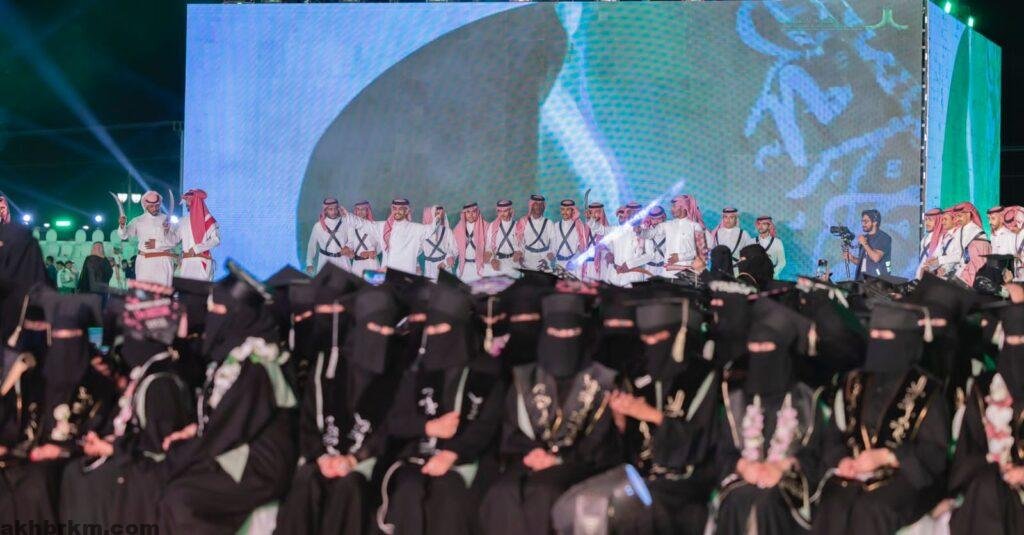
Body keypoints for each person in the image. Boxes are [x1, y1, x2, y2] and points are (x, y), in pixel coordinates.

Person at [554, 298, 720, 534]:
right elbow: (623, 449)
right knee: (588, 500)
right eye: (646, 338)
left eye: (658, 337)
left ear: (677, 336)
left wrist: (651, 415)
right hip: (637, 474)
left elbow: (702, 443)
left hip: (685, 479)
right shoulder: (639, 373)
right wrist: (621, 421)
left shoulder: (703, 377)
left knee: (639, 508)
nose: (651, 344)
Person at [158, 261, 296, 533]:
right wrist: (194, 431)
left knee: (181, 497)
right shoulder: (232, 359)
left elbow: (234, 427)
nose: (212, 318)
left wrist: (189, 451)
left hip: (259, 464)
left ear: (238, 315)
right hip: (236, 451)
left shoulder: (257, 364)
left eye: (219, 311)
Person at [479, 293, 619, 535]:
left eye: (571, 333)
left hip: (579, 462)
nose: (563, 339)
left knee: (545, 491)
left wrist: (560, 460)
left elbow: (601, 438)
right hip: (531, 458)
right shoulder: (526, 378)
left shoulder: (602, 380)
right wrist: (533, 453)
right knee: (502, 491)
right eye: (556, 332)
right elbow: (511, 429)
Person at [379, 282, 506, 535]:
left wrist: (453, 453)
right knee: (409, 490)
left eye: (442, 328)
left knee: (448, 495)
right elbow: (395, 420)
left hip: (468, 459)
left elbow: (488, 424)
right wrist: (428, 426)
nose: (435, 335)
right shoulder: (418, 370)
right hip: (419, 456)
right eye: (431, 329)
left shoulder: (487, 372)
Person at [275, 283, 402, 535]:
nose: (382, 336)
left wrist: (355, 459)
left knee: (350, 487)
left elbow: (390, 428)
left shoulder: (396, 373)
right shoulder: (329, 366)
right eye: (375, 328)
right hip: (325, 456)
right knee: (306, 481)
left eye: (388, 329)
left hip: (367, 463)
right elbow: (309, 417)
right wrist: (321, 456)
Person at [812, 301, 949, 535]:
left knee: (872, 508)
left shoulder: (927, 390)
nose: (878, 342)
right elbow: (834, 436)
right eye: (874, 335)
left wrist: (887, 456)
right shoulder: (853, 382)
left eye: (885, 336)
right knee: (834, 502)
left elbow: (934, 451)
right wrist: (842, 460)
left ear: (904, 341)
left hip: (906, 476)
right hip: (853, 472)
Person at [711, 298, 824, 535]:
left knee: (767, 504)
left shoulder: (806, 399)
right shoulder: (737, 399)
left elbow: (816, 455)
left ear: (782, 350)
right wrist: (743, 466)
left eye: (767, 348)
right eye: (754, 348)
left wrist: (783, 466)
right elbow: (722, 450)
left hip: (789, 482)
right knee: (737, 500)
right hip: (744, 478)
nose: (759, 355)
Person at [948, 302, 1024, 534]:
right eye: (1010, 341)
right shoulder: (985, 387)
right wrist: (992, 461)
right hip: (990, 484)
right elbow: (968, 448)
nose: (1016, 349)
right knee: (986, 485)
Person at [340, 198, 437, 274]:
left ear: (407, 210)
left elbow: (430, 230)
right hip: (387, 271)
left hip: (406, 272)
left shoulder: (416, 228)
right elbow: (363, 224)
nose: (397, 211)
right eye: (395, 208)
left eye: (400, 209)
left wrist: (437, 218)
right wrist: (349, 216)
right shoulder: (382, 227)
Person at [117, 190, 179, 286]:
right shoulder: (138, 220)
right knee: (144, 291)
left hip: (164, 261)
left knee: (163, 292)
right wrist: (122, 225)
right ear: (145, 206)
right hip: (144, 263)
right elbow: (124, 235)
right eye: (151, 206)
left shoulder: (167, 220)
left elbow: (175, 241)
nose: (155, 208)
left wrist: (158, 243)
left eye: (157, 205)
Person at [176, 189, 221, 281]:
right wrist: (166, 229)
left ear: (196, 201)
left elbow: (216, 240)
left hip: (201, 261)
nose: (186, 203)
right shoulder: (182, 221)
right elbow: (174, 239)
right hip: (186, 262)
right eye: (186, 201)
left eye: (188, 200)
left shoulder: (208, 219)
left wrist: (196, 248)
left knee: (200, 289)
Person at [662, 195, 709, 276]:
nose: (671, 210)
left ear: (684, 208)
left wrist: (680, 257)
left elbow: (702, 252)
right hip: (668, 272)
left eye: (674, 207)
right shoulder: (669, 225)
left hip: (687, 273)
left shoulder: (696, 226)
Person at [951, 202, 992, 287]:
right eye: (956, 216)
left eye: (960, 216)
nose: (957, 219)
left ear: (968, 215)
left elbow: (980, 262)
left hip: (972, 278)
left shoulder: (978, 233)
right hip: (959, 274)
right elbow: (957, 255)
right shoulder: (959, 231)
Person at [305, 197, 350, 275]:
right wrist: (309, 263)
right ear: (325, 210)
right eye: (330, 209)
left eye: (335, 209)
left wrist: (348, 247)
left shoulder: (346, 222)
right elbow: (312, 245)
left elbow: (353, 239)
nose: (334, 211)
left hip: (343, 261)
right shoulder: (318, 226)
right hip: (325, 262)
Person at [843, 209, 892, 280]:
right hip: (861, 280)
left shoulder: (884, 238)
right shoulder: (865, 238)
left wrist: (864, 243)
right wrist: (852, 258)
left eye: (866, 221)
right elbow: (864, 263)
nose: (863, 224)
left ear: (875, 222)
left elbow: (876, 258)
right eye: (862, 221)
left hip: (877, 282)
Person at [515, 194, 555, 271]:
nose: (538, 207)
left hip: (544, 259)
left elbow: (554, 242)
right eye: (536, 204)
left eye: (541, 205)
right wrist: (521, 255)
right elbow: (520, 241)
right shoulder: (523, 222)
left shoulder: (549, 223)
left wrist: (548, 257)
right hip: (527, 260)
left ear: (544, 207)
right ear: (531, 206)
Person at [551, 199, 589, 277]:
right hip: (559, 265)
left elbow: (581, 247)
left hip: (573, 266)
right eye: (563, 209)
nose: (565, 212)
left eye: (568, 209)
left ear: (573, 211)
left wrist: (573, 261)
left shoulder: (578, 226)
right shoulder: (556, 226)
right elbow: (553, 246)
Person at [484, 200, 520, 278]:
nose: (502, 213)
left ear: (511, 211)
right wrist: (492, 260)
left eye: (505, 211)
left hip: (514, 262)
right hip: (497, 262)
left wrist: (519, 252)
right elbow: (488, 246)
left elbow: (522, 244)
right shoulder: (492, 226)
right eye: (500, 211)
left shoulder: (518, 226)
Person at [419, 205, 456, 280]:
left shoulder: (447, 231)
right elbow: (415, 251)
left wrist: (446, 261)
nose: (439, 216)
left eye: (441, 214)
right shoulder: (422, 233)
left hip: (444, 266)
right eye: (436, 214)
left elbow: (454, 249)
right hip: (429, 268)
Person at [453, 202, 487, 283]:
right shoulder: (457, 229)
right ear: (464, 213)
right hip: (464, 268)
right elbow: (454, 249)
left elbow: (490, 248)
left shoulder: (486, 226)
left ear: (477, 212)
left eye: (473, 212)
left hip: (482, 268)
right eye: (468, 212)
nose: (471, 215)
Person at [345, 200, 380, 277]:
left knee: (372, 284)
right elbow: (351, 242)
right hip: (357, 263)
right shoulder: (351, 227)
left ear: (367, 211)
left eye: (363, 209)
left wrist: (371, 252)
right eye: (358, 209)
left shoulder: (374, 226)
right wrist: (348, 250)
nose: (360, 212)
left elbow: (380, 244)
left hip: (371, 263)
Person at [581, 201, 610, 281]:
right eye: (591, 212)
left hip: (601, 267)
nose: (593, 215)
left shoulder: (607, 230)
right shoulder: (585, 229)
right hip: (587, 266)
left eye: (597, 212)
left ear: (601, 213)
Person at [916, 208, 945, 279]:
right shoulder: (926, 237)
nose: (927, 223)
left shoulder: (942, 237)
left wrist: (929, 268)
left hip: (932, 276)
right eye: (926, 220)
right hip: (921, 273)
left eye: (930, 220)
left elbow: (939, 258)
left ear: (938, 220)